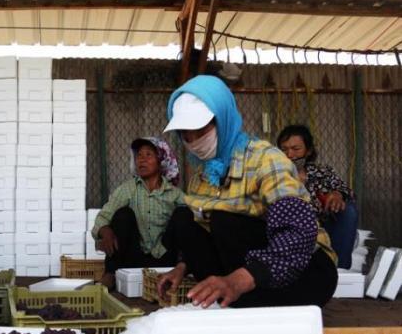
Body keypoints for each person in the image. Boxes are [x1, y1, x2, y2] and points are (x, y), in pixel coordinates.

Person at [157, 75, 338, 308]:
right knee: (184, 219)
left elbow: (298, 232)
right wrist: (182, 268)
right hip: (249, 278)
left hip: (306, 271)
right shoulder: (203, 176)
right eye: (186, 134)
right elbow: (204, 237)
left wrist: (238, 280)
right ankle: (237, 301)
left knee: (224, 220)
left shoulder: (266, 159)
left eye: (200, 130)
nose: (193, 141)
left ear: (222, 119)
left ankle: (242, 296)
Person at [91, 137, 184, 289]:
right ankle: (110, 273)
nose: (142, 160)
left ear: (161, 160)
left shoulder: (175, 194)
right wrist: (105, 231)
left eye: (148, 155)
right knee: (123, 214)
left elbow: (191, 224)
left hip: (165, 258)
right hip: (134, 257)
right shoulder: (128, 189)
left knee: (183, 214)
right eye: (139, 155)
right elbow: (103, 217)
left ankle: (182, 270)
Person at [277, 125, 358, 269]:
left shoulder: (321, 171)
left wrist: (337, 194)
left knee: (348, 211)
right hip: (292, 231)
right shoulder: (274, 175)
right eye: (284, 149)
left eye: (296, 149)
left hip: (324, 227)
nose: (289, 155)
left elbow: (347, 190)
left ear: (308, 151)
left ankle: (340, 271)